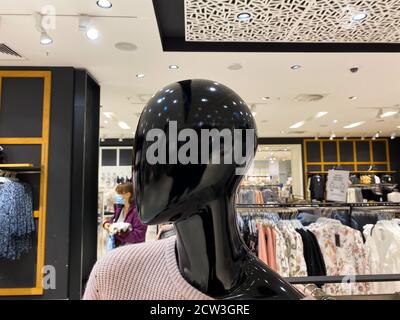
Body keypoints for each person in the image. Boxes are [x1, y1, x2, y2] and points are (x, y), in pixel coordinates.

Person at [103, 182, 147, 247]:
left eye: (119, 193)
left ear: (128, 194)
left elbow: (139, 235)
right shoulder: (119, 209)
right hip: (117, 248)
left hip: (131, 250)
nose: (116, 195)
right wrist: (106, 224)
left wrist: (117, 233)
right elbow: (114, 222)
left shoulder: (138, 212)